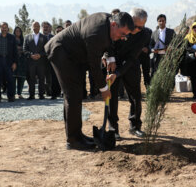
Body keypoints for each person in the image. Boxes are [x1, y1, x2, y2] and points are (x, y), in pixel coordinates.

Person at [45, 12, 135, 150]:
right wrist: (104, 89)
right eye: (122, 34)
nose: (122, 38)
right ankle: (73, 140)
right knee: (73, 96)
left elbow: (110, 40)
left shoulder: (108, 20)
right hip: (61, 53)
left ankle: (77, 134)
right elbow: (94, 67)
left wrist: (110, 57)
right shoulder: (96, 33)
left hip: (75, 56)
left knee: (76, 94)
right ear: (114, 24)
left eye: (126, 35)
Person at [106, 8, 151, 140]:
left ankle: (135, 126)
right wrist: (109, 57)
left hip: (131, 65)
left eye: (140, 27)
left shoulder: (145, 34)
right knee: (112, 97)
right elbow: (109, 43)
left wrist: (119, 73)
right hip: (113, 63)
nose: (137, 29)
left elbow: (132, 57)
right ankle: (113, 129)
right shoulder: (119, 25)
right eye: (135, 26)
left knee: (136, 96)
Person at [0, 22, 18, 103]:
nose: (4, 28)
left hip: (9, 61)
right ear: (0, 28)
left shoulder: (12, 37)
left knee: (10, 79)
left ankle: (11, 96)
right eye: (2, 27)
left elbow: (15, 51)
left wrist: (15, 62)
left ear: (7, 28)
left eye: (5, 27)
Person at [23, 21, 48, 100]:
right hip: (31, 62)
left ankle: (41, 94)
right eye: (34, 26)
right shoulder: (27, 37)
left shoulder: (44, 37)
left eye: (37, 26)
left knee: (41, 78)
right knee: (31, 79)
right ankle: (31, 95)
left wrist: (40, 55)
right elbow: (24, 49)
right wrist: (31, 55)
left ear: (39, 27)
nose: (36, 27)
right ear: (32, 27)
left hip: (41, 62)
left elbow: (46, 50)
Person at [179, 21, 196, 99]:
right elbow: (186, 47)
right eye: (194, 27)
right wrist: (195, 51)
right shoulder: (188, 37)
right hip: (192, 60)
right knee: (193, 77)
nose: (195, 29)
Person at [13, 27, 27, 99]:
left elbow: (26, 48)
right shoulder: (11, 39)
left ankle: (19, 93)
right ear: (14, 32)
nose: (18, 32)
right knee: (12, 78)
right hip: (13, 61)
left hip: (22, 61)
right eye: (16, 31)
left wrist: (21, 49)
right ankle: (12, 93)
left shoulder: (23, 40)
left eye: (19, 31)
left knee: (21, 78)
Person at [42, 21, 54, 97]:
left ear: (49, 28)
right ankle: (42, 90)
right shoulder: (39, 36)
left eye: (47, 27)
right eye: (44, 27)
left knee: (49, 76)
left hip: (50, 60)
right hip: (41, 59)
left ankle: (49, 90)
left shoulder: (53, 37)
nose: (45, 28)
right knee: (41, 76)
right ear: (42, 28)